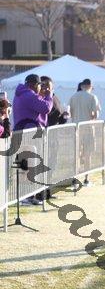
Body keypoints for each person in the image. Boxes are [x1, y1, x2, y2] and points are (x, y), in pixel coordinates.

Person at [12, 74, 53, 205]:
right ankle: (26, 197)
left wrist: (42, 96)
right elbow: (46, 108)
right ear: (35, 85)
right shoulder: (28, 95)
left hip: (23, 132)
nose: (41, 87)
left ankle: (28, 196)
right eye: (40, 85)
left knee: (26, 165)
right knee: (29, 165)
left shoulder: (22, 93)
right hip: (28, 134)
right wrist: (49, 95)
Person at [69, 78, 101, 186]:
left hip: (76, 129)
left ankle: (74, 179)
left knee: (76, 154)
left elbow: (71, 113)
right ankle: (86, 179)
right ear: (90, 86)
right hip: (88, 129)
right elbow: (96, 115)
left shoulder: (73, 96)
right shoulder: (92, 97)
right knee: (88, 154)